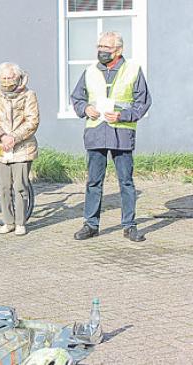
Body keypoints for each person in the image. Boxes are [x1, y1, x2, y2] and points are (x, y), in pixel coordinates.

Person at [71, 31, 151, 242]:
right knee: (93, 182)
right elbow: (77, 98)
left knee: (126, 181)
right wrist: (86, 108)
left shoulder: (133, 70)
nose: (101, 51)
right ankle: (90, 225)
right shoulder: (89, 71)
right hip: (96, 132)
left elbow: (143, 102)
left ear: (118, 50)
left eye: (106, 47)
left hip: (121, 133)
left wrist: (123, 115)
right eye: (100, 46)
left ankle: (129, 226)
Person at [0, 62, 39, 236]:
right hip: (0, 145)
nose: (7, 81)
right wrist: (2, 136)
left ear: (18, 77)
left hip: (22, 147)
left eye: (10, 77)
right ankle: (8, 221)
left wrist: (14, 137)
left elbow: (32, 121)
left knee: (20, 186)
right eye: (4, 78)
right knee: (3, 186)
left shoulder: (29, 95)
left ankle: (21, 222)